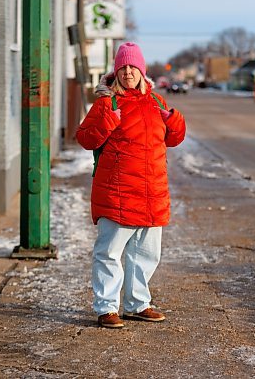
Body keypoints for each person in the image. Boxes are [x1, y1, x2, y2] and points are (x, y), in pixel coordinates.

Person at [76, 42, 186, 329]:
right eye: (122, 67)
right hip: (118, 192)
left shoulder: (157, 102)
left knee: (147, 253)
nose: (128, 73)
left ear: (142, 71)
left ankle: (137, 304)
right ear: (115, 71)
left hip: (152, 191)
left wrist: (173, 120)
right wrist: (108, 121)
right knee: (109, 252)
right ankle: (106, 307)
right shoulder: (106, 103)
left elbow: (173, 139)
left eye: (133, 67)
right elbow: (86, 138)